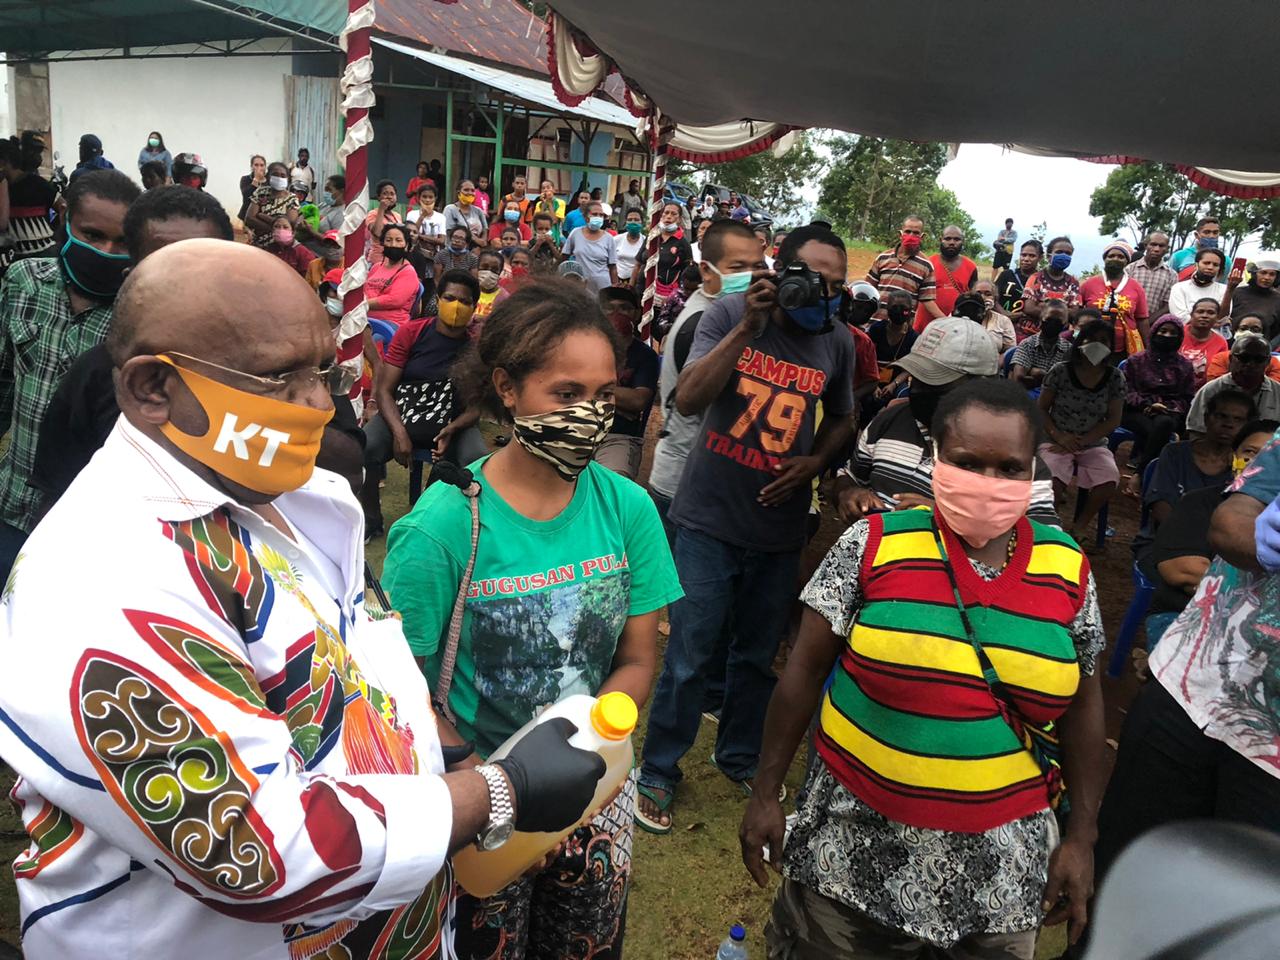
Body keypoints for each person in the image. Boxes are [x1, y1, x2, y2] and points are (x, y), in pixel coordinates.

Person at [0, 237, 606, 959]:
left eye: (322, 370)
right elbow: (253, 853)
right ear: (153, 388)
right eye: (277, 378)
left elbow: (369, 673)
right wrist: (500, 793)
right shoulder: (103, 576)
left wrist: (457, 769)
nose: (320, 403)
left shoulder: (294, 496)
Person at [744, 376, 1105, 959]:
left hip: (1001, 878)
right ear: (936, 457)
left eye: (1009, 468)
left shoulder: (1068, 568)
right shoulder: (871, 544)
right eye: (967, 462)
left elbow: (1084, 707)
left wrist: (1082, 837)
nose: (987, 482)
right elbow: (802, 675)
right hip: (852, 858)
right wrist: (766, 793)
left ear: (1033, 470)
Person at [382, 278, 681, 959]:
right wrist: (499, 787)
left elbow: (638, 659)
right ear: (507, 389)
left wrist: (592, 748)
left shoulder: (628, 509)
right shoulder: (442, 528)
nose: (590, 415)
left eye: (604, 395)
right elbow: (397, 692)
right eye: (566, 394)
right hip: (480, 799)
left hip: (597, 787)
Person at [637, 225, 858, 833]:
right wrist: (746, 329)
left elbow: (844, 417)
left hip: (780, 530)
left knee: (756, 658)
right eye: (815, 279)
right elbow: (687, 399)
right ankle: (658, 769)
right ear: (781, 271)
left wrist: (816, 462)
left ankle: (737, 755)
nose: (826, 294)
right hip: (708, 517)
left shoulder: (837, 341)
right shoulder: (729, 315)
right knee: (689, 656)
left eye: (837, 283)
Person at [1092, 422, 1280, 899]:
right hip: (1191, 687)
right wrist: (1262, 539)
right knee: (1122, 869)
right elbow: (1231, 519)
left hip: (1272, 758)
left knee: (1230, 904)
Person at [30, 185, 235, 511]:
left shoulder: (270, 369)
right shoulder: (96, 374)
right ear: (132, 277)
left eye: (206, 266)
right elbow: (57, 496)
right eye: (167, 269)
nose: (190, 286)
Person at [0, 169, 140, 577]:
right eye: (92, 235)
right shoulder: (23, 282)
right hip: (10, 504)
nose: (107, 250)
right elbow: (5, 381)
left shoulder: (139, 316)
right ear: (63, 218)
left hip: (85, 527)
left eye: (122, 242)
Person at [837, 315, 1060, 527]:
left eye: (934, 381)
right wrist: (848, 492)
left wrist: (951, 520)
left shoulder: (1014, 457)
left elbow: (1045, 536)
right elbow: (850, 476)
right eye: (916, 376)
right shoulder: (889, 420)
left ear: (981, 385)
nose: (917, 389)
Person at [650, 220, 765, 541]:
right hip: (684, 482)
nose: (750, 277)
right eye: (737, 268)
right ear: (706, 271)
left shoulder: (722, 315)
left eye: (757, 266)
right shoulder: (703, 322)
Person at [360, 269, 487, 536]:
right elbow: (385, 390)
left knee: (476, 459)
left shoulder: (476, 347)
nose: (456, 306)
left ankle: (440, 522)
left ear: (474, 307)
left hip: (454, 422)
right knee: (365, 445)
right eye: (450, 298)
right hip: (404, 414)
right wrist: (399, 433)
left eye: (464, 301)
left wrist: (452, 429)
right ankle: (370, 520)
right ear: (438, 299)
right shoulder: (412, 332)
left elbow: (477, 407)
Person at [1143, 419, 1278, 646]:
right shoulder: (1198, 502)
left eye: (1271, 458)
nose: (1260, 463)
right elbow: (1182, 571)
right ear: (1233, 457)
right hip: (1184, 613)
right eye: (1250, 452)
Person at [1037, 319, 1124, 542]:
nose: (1097, 344)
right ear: (1080, 342)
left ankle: (1080, 526)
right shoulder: (1060, 371)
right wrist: (1059, 436)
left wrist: (1083, 441)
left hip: (1093, 443)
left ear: (1111, 346)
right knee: (1050, 481)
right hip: (1055, 439)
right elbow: (1041, 409)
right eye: (1091, 339)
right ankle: (1050, 528)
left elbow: (1113, 419)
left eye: (1103, 340)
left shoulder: (1115, 377)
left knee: (1109, 479)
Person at [1143, 389, 1255, 531]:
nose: (1228, 424)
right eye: (1221, 416)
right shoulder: (1175, 453)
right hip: (1169, 534)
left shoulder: (1246, 466)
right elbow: (1160, 506)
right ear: (1206, 418)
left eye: (1238, 419)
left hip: (1218, 540)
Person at [594, 286, 659, 479]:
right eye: (609, 308)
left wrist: (590, 389)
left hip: (618, 437)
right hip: (578, 427)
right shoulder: (582, 346)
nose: (616, 314)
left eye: (624, 308)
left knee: (614, 483)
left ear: (637, 314)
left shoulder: (645, 356)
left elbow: (638, 401)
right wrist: (618, 400)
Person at [1120, 314, 1197, 471]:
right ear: (1154, 332)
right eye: (1163, 331)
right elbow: (1126, 391)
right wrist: (1148, 405)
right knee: (1160, 427)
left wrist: (1165, 407)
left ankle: (1141, 469)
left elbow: (1187, 397)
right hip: (1136, 411)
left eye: (1173, 333)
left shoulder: (1184, 365)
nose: (1167, 336)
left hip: (1169, 412)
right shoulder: (1136, 361)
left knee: (1164, 423)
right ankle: (1148, 471)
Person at [1186, 333, 1280, 433]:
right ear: (1231, 359)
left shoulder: (1277, 392)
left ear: (1268, 362)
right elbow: (1196, 432)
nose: (1250, 364)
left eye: (1259, 359)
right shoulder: (1211, 390)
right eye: (1244, 358)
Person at [1080, 240, 1151, 356]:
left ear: (1127, 261)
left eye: (1121, 257)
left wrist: (1149, 349)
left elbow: (1142, 320)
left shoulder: (1136, 287)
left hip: (1123, 349)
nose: (1115, 259)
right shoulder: (1089, 284)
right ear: (1105, 259)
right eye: (1111, 256)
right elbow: (1078, 312)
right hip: (1090, 345)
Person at [866, 215, 940, 321]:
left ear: (922, 237)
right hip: (875, 322)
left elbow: (927, 300)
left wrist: (946, 321)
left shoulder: (926, 265)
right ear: (900, 234)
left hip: (903, 326)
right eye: (908, 231)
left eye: (916, 233)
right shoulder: (883, 258)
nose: (911, 236)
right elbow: (869, 288)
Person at [0, 134, 57, 262]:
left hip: (41, 255)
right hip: (16, 258)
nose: (37, 157)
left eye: (38, 152)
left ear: (3, 162)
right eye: (33, 151)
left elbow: (63, 207)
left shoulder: (37, 183)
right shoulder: (34, 182)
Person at [914, 224, 977, 331]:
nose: (952, 242)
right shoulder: (928, 263)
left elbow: (973, 299)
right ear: (940, 240)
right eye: (947, 239)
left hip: (956, 329)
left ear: (963, 241)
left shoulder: (971, 267)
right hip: (925, 327)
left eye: (957, 239)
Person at [1020, 236, 1082, 339]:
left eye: (1068, 253)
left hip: (1060, 337)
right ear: (1048, 256)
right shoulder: (1036, 278)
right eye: (1059, 252)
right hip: (1030, 334)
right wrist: (1063, 309)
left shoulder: (1073, 282)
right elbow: (1029, 308)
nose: (1064, 256)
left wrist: (1043, 305)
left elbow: (1075, 313)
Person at [1010, 300, 1073, 390]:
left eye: (1058, 321)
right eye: (1049, 319)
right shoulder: (1028, 344)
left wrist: (1039, 374)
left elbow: (1069, 385)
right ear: (1040, 319)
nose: (1053, 324)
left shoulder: (1069, 349)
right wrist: (1053, 380)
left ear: (1066, 324)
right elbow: (1019, 379)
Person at [365, 223, 419, 327]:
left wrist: (363, 304)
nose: (393, 244)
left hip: (390, 324)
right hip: (365, 319)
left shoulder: (408, 272)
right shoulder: (376, 267)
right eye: (388, 240)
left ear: (406, 246)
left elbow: (394, 300)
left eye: (398, 240)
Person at [561, 200, 620, 293]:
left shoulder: (609, 238)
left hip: (603, 288)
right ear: (585, 217)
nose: (598, 217)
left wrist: (614, 289)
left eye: (601, 215)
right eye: (594, 214)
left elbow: (613, 267)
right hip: (580, 287)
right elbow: (564, 257)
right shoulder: (575, 233)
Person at [1208, 314, 1280, 381]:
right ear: (1235, 331)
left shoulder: (1273, 363)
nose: (1248, 333)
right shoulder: (1221, 358)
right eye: (1243, 329)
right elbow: (1215, 383)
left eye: (1255, 330)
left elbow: (1274, 386)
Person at [244, 161, 299, 247]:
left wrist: (260, 216)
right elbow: (249, 219)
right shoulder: (260, 192)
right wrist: (276, 227)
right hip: (259, 244)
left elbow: (289, 224)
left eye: (283, 175)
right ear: (268, 177)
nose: (279, 178)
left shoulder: (292, 198)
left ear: (288, 179)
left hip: (281, 246)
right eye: (275, 174)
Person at [1179, 297, 1231, 389]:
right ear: (1191, 315)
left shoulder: (1221, 343)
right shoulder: (1178, 333)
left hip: (1204, 391)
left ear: (1217, 317)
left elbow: (1219, 372)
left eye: (1211, 313)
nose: (1205, 316)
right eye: (1200, 312)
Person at [1126, 231, 1178, 320]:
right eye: (1153, 244)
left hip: (1153, 323)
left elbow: (1168, 305)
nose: (1157, 249)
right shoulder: (1129, 269)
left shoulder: (1172, 275)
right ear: (1146, 245)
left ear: (1167, 249)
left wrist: (1147, 322)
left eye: (1161, 246)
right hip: (1128, 320)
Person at [1168, 247, 1228, 321]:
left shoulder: (1225, 290)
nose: (1210, 267)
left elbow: (1222, 318)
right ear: (1196, 264)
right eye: (1206, 263)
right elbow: (1180, 316)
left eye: (1215, 265)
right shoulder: (1179, 288)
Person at [1230, 254, 1280, 340]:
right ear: (1254, 274)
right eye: (1263, 273)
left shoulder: (1277, 299)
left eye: (1272, 274)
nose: (1267, 277)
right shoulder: (1237, 292)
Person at [655, 200, 693, 302]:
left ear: (679, 219)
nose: (669, 216)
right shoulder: (652, 237)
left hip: (668, 296)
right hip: (645, 292)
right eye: (666, 213)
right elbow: (639, 264)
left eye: (673, 214)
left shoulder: (683, 243)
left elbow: (688, 272)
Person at [995, 239, 1043, 320]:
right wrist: (1005, 314)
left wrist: (1021, 315)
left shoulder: (1041, 281)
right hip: (1001, 322)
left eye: (1032, 256)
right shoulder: (1007, 275)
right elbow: (992, 297)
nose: (1026, 259)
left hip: (1028, 325)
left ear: (1040, 258)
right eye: (1023, 255)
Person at [974, 277, 1017, 352]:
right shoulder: (962, 317)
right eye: (978, 294)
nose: (982, 297)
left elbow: (1010, 351)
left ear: (994, 298)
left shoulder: (1003, 321)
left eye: (988, 294)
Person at [472, 247, 509, 329]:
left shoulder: (504, 297)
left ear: (500, 272)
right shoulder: (469, 290)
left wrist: (482, 319)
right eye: (484, 267)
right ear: (477, 267)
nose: (489, 272)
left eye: (494, 270)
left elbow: (504, 322)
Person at [443, 178, 486, 246]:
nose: (470, 193)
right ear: (458, 193)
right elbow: (449, 232)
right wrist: (476, 240)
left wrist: (479, 245)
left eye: (472, 190)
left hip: (475, 250)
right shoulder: (450, 209)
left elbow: (485, 231)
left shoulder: (478, 211)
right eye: (466, 190)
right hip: (455, 248)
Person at [615, 207, 646, 284]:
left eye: (636, 220)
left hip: (637, 283)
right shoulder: (616, 239)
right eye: (630, 219)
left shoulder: (645, 241)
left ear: (641, 222)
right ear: (625, 222)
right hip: (618, 282)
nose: (633, 222)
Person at [237, 153, 266, 221]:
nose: (259, 168)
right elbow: (246, 195)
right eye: (256, 165)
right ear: (251, 166)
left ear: (265, 167)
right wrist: (256, 180)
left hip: (264, 216)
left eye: (262, 165)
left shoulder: (269, 180)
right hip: (247, 215)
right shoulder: (245, 179)